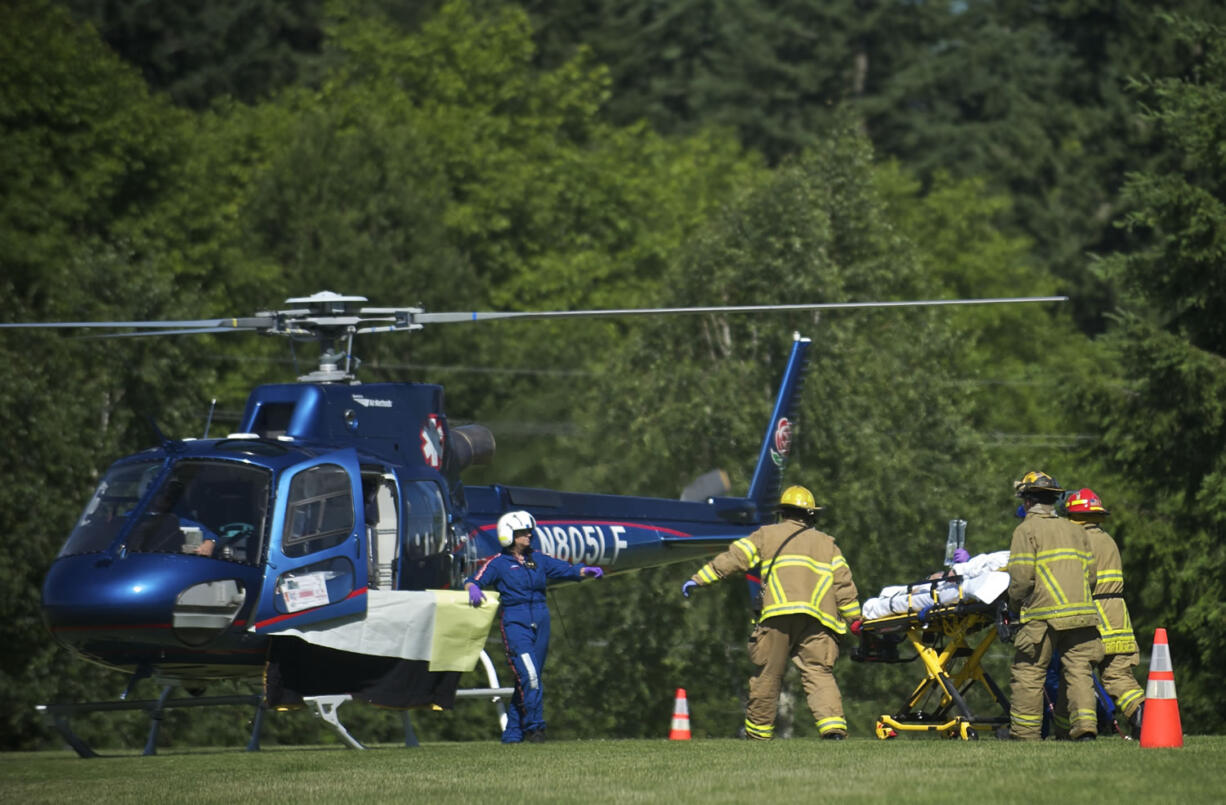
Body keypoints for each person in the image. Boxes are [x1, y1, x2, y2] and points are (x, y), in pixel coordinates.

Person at [681, 485, 860, 740]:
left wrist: (699, 578)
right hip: (819, 621)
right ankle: (833, 730)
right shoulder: (827, 544)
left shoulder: (766, 535)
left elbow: (734, 558)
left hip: (778, 615)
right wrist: (855, 621)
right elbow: (844, 586)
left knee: (768, 674)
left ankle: (758, 735)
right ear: (810, 515)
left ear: (782, 512)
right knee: (818, 672)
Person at [464, 510, 604, 743]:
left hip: (541, 620)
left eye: (529, 531)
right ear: (509, 535)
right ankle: (536, 729)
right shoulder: (498, 564)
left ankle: (512, 735)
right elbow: (472, 580)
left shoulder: (538, 559)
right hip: (515, 623)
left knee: (530, 679)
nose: (529, 535)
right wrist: (473, 588)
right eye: (522, 532)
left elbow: (566, 569)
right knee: (530, 678)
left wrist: (585, 571)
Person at [1006, 471, 1104, 741]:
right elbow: (1091, 576)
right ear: (1054, 500)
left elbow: (1022, 578)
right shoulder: (1076, 529)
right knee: (1079, 669)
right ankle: (1085, 729)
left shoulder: (1025, 530)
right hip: (1082, 614)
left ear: (1027, 502)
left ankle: (1025, 734)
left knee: (1029, 671)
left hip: (1042, 615)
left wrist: (1014, 607)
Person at [1055, 487, 1145, 736]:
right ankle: (1143, 718)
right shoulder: (1108, 540)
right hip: (1117, 615)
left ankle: (1074, 730)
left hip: (1091, 613)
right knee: (1117, 674)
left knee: (1077, 670)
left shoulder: (1078, 541)